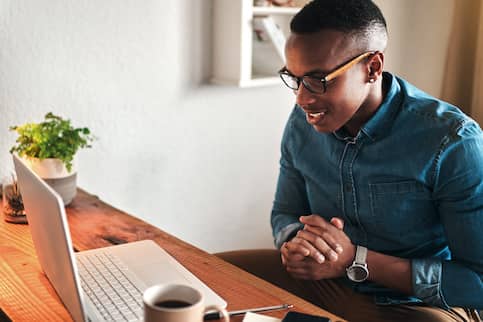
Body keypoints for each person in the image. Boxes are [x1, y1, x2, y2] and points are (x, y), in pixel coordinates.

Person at [216, 1, 483, 321]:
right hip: (323, 281)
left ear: (372, 67)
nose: (301, 98)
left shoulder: (453, 141)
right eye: (295, 78)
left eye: (318, 80)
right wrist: (297, 244)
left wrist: (356, 260)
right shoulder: (302, 123)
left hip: (413, 304)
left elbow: (477, 282)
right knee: (200, 277)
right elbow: (285, 213)